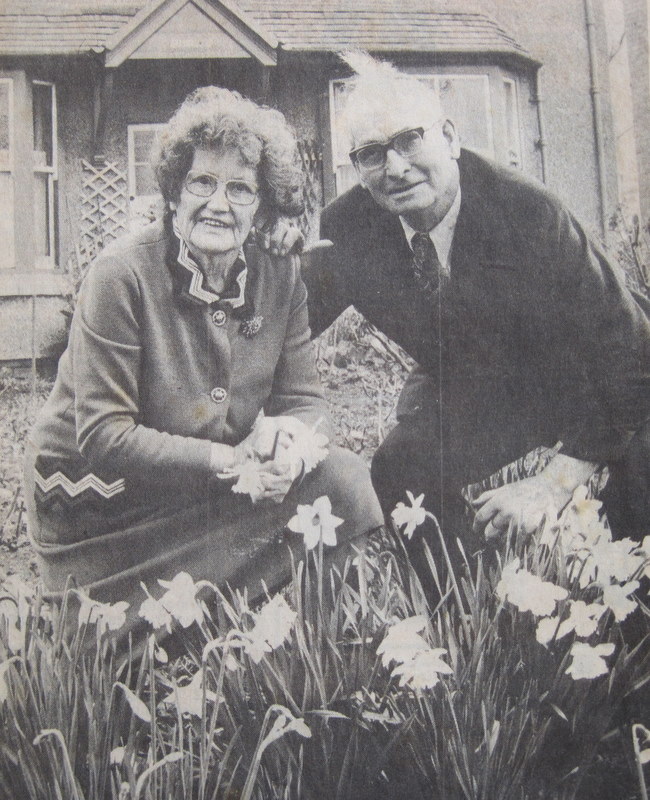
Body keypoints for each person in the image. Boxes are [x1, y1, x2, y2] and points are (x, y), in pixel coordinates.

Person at [24, 86, 383, 643]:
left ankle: (309, 655)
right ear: (173, 193)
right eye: (202, 183)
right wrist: (232, 460)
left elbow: (303, 400)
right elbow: (104, 435)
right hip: (104, 520)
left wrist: (294, 451)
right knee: (126, 664)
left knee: (344, 481)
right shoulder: (119, 276)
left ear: (260, 205)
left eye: (240, 189)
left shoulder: (278, 276)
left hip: (204, 491)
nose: (219, 203)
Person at [302, 53, 650, 585]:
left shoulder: (530, 213)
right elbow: (285, 327)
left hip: (599, 377)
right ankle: (474, 610)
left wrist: (555, 482)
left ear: (450, 137)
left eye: (410, 139)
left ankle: (621, 622)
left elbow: (630, 355)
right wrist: (273, 254)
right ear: (356, 167)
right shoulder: (349, 230)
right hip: (487, 388)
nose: (395, 167)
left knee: (640, 491)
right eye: (372, 153)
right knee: (403, 466)